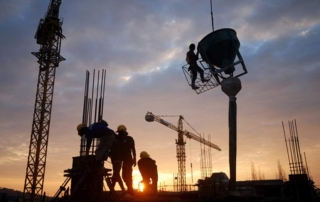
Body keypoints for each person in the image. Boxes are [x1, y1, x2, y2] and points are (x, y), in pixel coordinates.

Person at [116, 124, 136, 196]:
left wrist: (134, 158)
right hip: (123, 160)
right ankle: (130, 189)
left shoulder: (129, 139)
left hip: (128, 160)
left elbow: (133, 149)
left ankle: (131, 190)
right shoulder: (118, 139)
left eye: (119, 132)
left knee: (127, 175)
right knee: (124, 176)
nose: (118, 134)